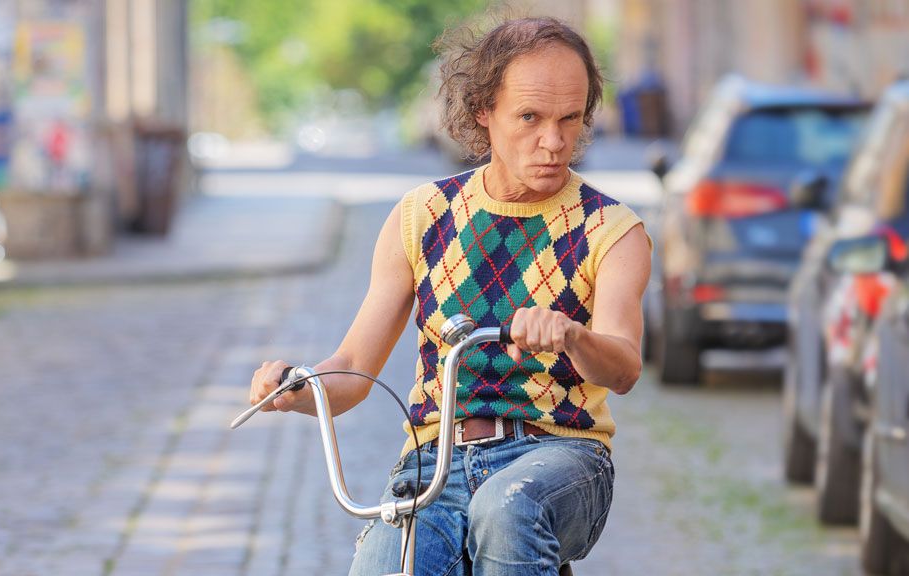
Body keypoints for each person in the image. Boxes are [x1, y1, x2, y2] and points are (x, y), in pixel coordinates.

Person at [248, 16, 652, 576]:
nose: (554, 142)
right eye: (530, 117)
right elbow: (353, 368)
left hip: (562, 457)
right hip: (436, 464)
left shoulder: (611, 230)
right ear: (484, 110)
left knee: (507, 511)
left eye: (570, 119)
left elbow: (625, 368)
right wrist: (301, 387)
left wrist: (573, 335)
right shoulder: (422, 216)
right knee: (384, 566)